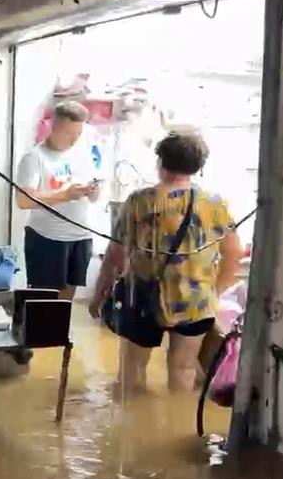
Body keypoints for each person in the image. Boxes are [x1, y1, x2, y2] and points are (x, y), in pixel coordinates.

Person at [89, 130, 242, 393]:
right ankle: (174, 428)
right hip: (195, 302)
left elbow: (115, 253)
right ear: (199, 167)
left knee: (132, 367)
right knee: (183, 367)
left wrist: (99, 294)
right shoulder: (215, 204)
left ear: (160, 161)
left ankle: (131, 429)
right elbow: (234, 254)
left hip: (143, 298)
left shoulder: (140, 201)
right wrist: (213, 293)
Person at [16, 101, 100, 299]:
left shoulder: (82, 151)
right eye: (69, 134)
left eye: (78, 133)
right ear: (54, 128)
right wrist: (65, 195)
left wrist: (94, 192)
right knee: (45, 301)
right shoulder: (35, 157)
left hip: (81, 236)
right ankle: (41, 330)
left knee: (66, 298)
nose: (74, 140)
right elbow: (23, 201)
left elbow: (92, 189)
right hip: (48, 238)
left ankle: (60, 330)